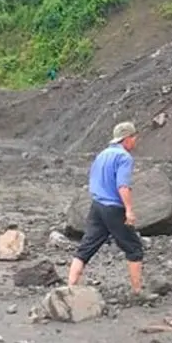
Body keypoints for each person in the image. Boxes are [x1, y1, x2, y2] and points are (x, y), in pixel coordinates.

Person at [67, 121, 143, 296]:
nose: (135, 142)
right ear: (127, 138)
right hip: (113, 208)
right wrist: (129, 210)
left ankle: (70, 286)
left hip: (97, 206)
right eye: (134, 138)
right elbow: (123, 185)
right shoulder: (124, 157)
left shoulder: (102, 154)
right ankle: (138, 292)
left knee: (86, 246)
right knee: (134, 248)